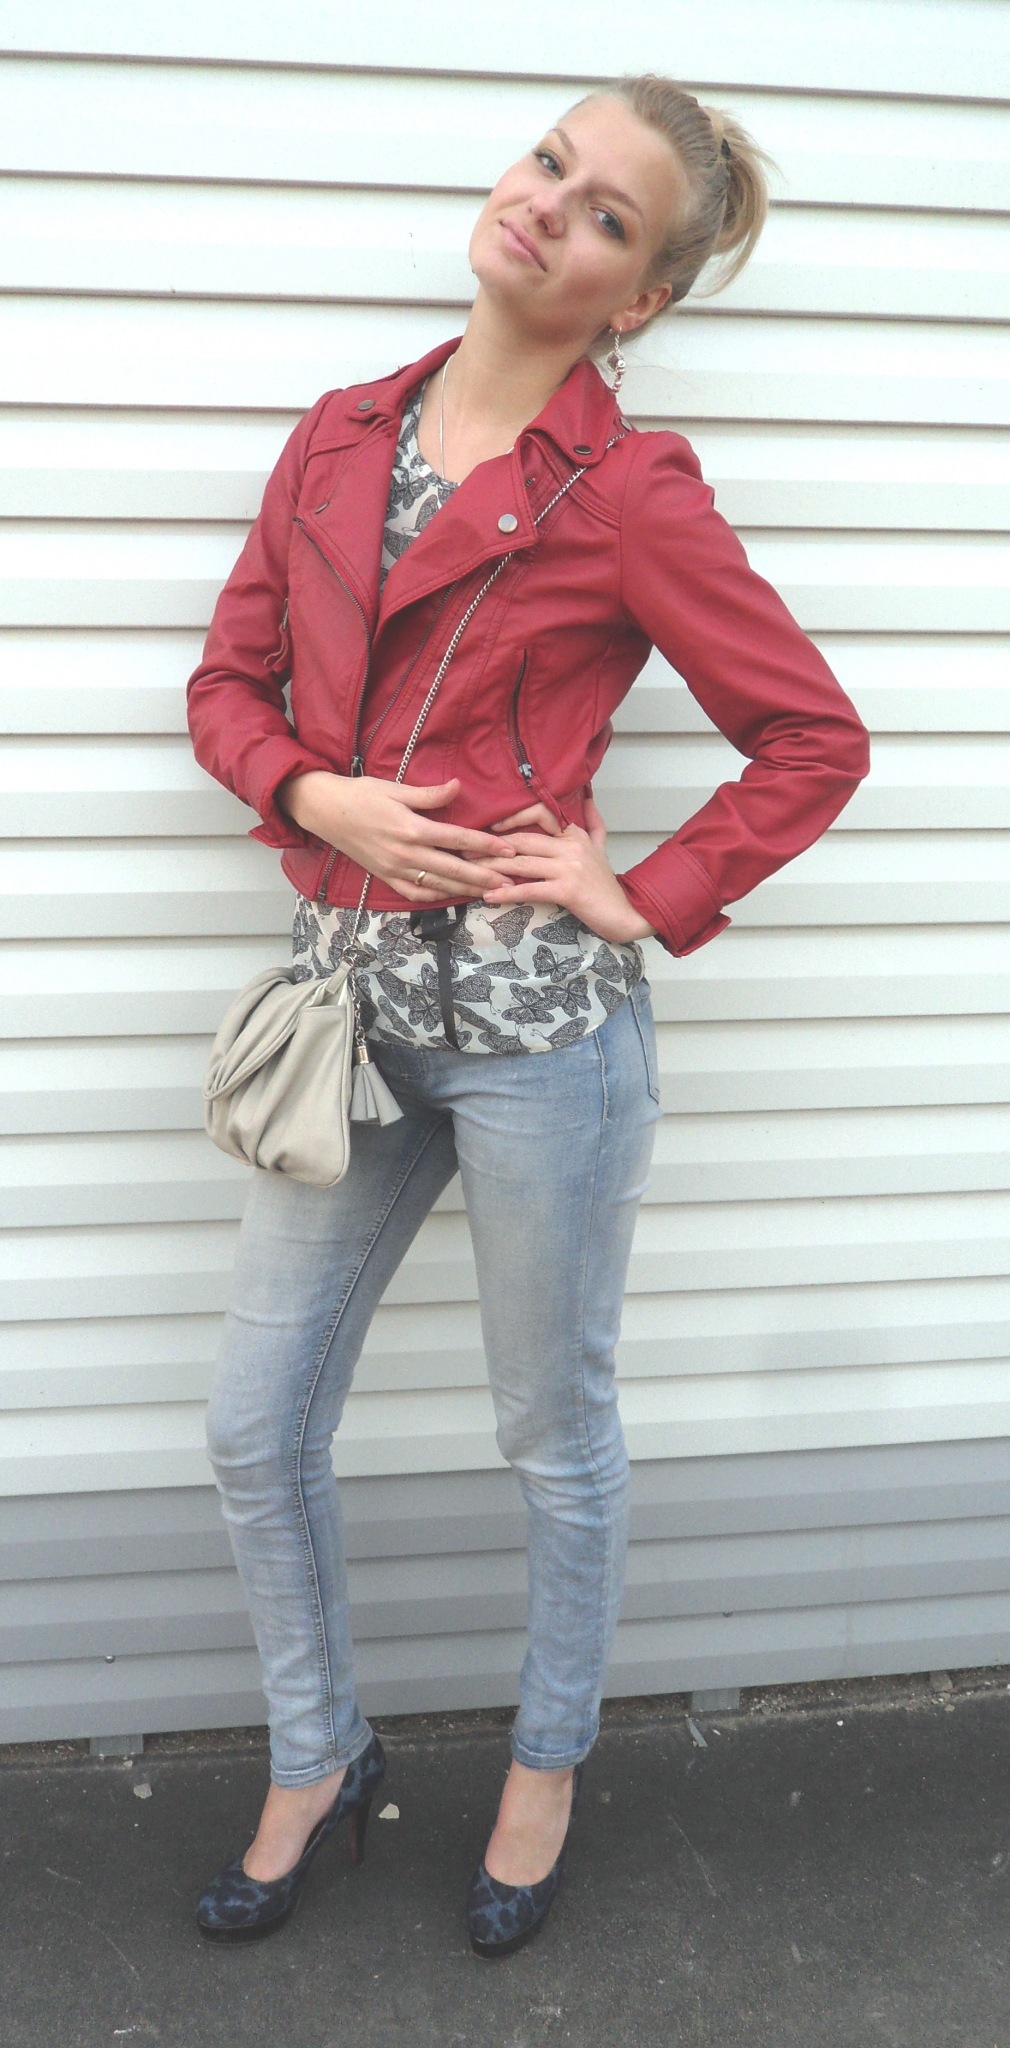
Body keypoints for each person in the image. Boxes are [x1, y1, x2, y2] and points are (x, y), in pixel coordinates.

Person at [186, 74, 871, 1955]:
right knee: (253, 1425)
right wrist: (311, 795)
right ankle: (317, 1758)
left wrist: (642, 891)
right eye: (552, 163)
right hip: (348, 1021)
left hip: (542, 1037)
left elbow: (811, 740)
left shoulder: (627, 489)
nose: (550, 206)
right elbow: (228, 682)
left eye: (606, 216)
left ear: (633, 298)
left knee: (549, 1432)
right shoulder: (338, 435)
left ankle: (544, 1766)